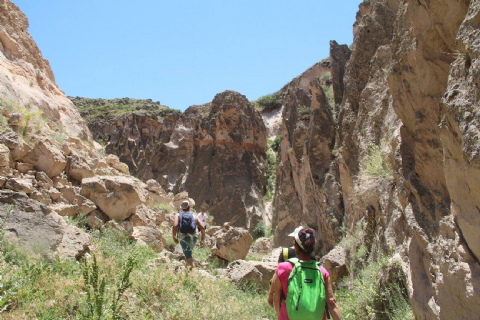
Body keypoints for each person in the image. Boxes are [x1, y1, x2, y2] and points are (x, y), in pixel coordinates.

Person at [271, 227, 341, 320]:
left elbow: (276, 297)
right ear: (312, 248)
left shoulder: (283, 269)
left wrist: (280, 315)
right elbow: (331, 302)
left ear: (295, 245)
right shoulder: (322, 271)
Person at [268, 226, 316, 307]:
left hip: (286, 294)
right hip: (307, 294)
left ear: (295, 240)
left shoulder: (285, 252)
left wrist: (271, 294)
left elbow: (277, 275)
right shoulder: (312, 256)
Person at [172, 200, 205, 269]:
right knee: (189, 254)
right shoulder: (194, 216)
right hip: (194, 237)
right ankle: (188, 271)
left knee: (189, 258)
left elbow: (175, 225)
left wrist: (174, 237)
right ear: (189, 207)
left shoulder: (178, 215)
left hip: (183, 238)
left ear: (181, 208)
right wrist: (202, 240)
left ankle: (193, 274)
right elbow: (202, 228)